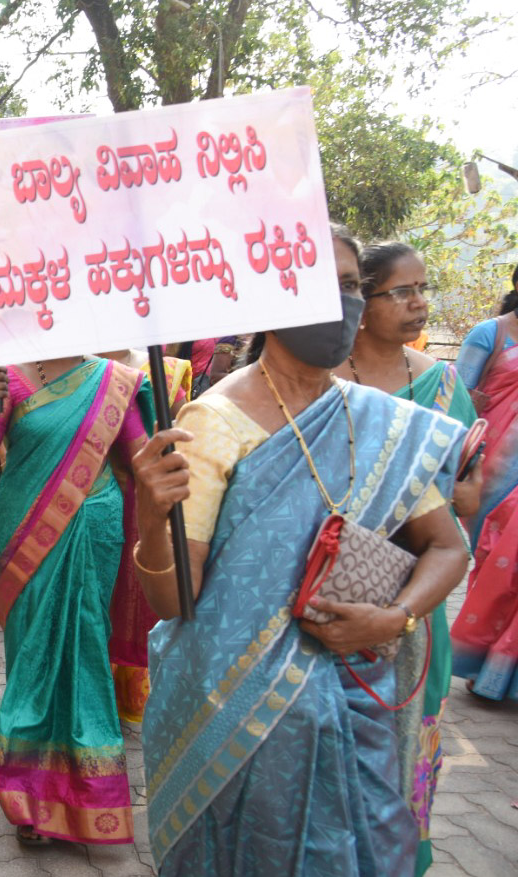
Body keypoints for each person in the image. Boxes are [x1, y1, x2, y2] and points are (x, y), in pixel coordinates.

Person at [131, 226, 470, 875]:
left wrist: (394, 617)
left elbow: (447, 549)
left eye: (350, 286)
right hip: (243, 728)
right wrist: (152, 519)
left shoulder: (378, 419)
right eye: (322, 284)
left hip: (358, 712)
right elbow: (174, 598)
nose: (342, 302)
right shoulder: (215, 421)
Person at [0, 348, 154, 847]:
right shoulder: (9, 379)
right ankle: (28, 793)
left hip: (94, 530)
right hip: (25, 528)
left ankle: (86, 791)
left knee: (85, 650)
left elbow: (141, 461)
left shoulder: (111, 380)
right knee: (32, 656)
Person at [342, 239, 478, 873]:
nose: (419, 303)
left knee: (404, 751)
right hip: (335, 589)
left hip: (417, 596)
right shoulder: (323, 385)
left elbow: (468, 495)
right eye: (402, 291)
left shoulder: (442, 385)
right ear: (359, 303)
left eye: (423, 290)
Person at [98, 347, 191, 721]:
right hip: (93, 508)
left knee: (143, 597)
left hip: (150, 507)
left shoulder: (164, 371)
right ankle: (94, 693)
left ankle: (136, 697)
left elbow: (183, 436)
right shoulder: (71, 368)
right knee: (102, 601)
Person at [451, 264, 518, 702]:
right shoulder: (490, 334)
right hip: (492, 461)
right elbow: (458, 396)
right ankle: (482, 658)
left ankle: (501, 668)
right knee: (489, 556)